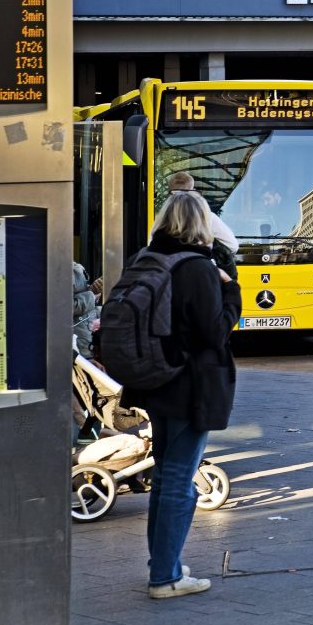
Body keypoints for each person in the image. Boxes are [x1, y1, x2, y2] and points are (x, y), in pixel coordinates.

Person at [121, 191, 242, 599]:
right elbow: (214, 333)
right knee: (178, 479)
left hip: (155, 381)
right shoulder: (197, 269)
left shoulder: (147, 259)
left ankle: (165, 565)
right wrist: (231, 293)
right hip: (190, 385)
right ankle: (166, 579)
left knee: (165, 475)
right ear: (202, 225)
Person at [72, 261, 100, 360]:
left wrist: (93, 289)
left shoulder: (76, 266)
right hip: (76, 346)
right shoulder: (56, 269)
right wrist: (92, 294)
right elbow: (61, 307)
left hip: (86, 340)